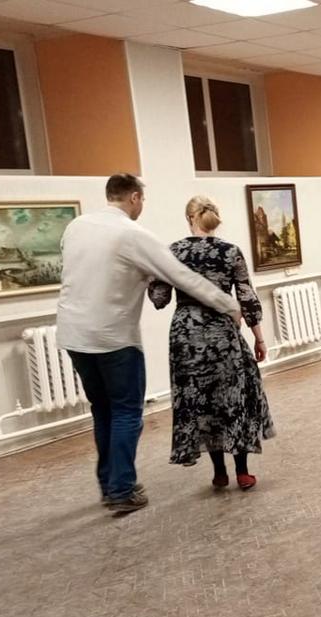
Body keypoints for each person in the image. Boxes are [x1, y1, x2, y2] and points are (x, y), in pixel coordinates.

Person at [56, 174, 241, 514]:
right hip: (113, 338)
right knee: (126, 412)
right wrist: (229, 305)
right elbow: (183, 277)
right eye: (142, 200)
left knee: (103, 410)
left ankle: (110, 484)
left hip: (73, 335)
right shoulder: (133, 234)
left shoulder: (76, 227)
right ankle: (121, 490)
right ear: (135, 198)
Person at [148, 197, 276, 491]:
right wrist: (259, 338)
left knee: (201, 401)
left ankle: (219, 473)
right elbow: (247, 298)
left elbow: (159, 299)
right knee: (233, 398)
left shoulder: (173, 252)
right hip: (222, 333)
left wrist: (149, 276)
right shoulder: (230, 252)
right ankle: (242, 472)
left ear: (189, 218)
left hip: (186, 336)